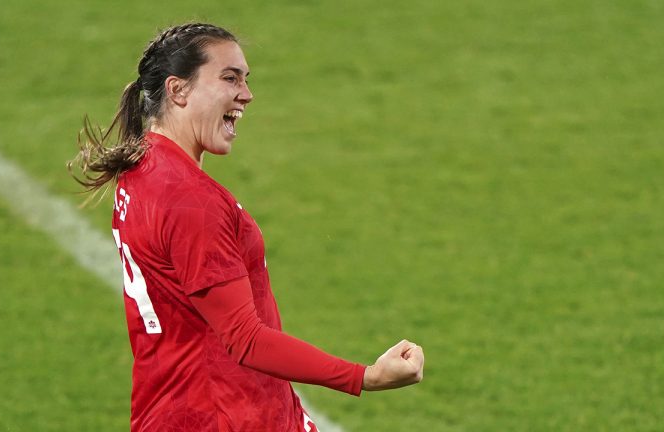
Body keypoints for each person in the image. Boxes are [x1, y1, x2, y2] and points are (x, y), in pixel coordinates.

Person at [69, 22, 424, 432]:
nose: (247, 94)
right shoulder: (190, 199)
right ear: (178, 90)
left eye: (245, 79)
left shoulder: (140, 170)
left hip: (182, 405)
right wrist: (364, 376)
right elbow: (246, 339)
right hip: (224, 413)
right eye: (229, 78)